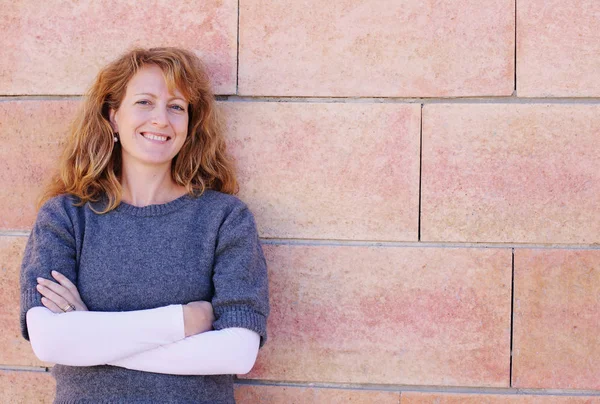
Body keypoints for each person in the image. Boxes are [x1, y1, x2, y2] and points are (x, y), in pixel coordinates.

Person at [19, 47, 269, 404]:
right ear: (112, 117)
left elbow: (237, 352)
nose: (161, 119)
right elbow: (50, 341)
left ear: (189, 124)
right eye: (144, 102)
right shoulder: (66, 217)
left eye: (176, 107)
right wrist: (183, 322)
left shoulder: (224, 219)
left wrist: (90, 334)